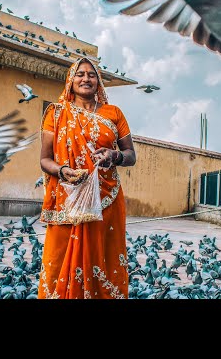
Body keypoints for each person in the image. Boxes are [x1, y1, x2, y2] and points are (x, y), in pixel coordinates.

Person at [38, 57, 136, 299]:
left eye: (91, 75)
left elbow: (131, 155)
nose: (86, 79)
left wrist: (114, 155)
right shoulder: (57, 113)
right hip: (67, 199)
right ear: (71, 81)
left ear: (98, 81)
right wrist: (63, 171)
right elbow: (45, 160)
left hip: (106, 199)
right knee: (59, 258)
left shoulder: (114, 113)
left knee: (103, 256)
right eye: (80, 74)